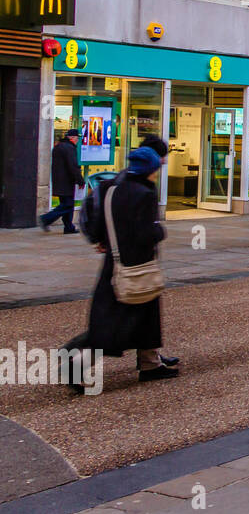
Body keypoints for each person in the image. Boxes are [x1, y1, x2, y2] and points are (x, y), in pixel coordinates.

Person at [80, 144, 177, 387]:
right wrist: (160, 231)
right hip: (137, 266)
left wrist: (101, 240)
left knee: (130, 317)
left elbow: (96, 220)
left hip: (114, 262)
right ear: (150, 169)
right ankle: (77, 366)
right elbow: (146, 233)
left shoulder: (111, 187)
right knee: (119, 321)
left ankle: (150, 362)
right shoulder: (144, 193)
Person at [40, 129, 83, 234]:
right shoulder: (69, 148)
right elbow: (73, 166)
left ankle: (69, 227)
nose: (77, 140)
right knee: (67, 205)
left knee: (67, 204)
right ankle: (46, 219)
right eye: (77, 138)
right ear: (72, 138)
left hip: (59, 181)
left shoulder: (58, 146)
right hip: (67, 182)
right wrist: (80, 180)